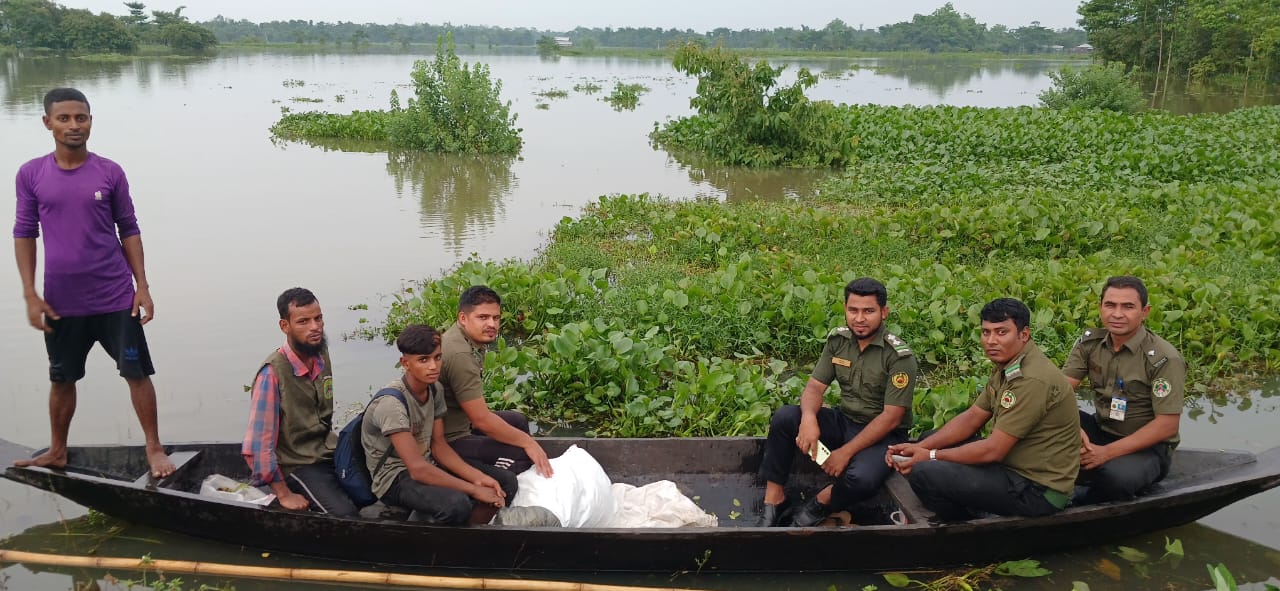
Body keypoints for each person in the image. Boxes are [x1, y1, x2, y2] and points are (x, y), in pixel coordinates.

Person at [13, 88, 175, 478]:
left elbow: (129, 229)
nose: (73, 125)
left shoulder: (110, 172)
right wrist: (31, 294)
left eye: (81, 117)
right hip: (61, 302)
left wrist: (143, 285)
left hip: (115, 295)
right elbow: (23, 232)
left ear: (90, 121)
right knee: (62, 378)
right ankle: (57, 450)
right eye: (64, 118)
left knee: (137, 373)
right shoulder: (32, 173)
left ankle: (154, 448)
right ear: (47, 122)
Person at [888, 298, 1080, 521]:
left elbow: (993, 450)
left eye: (1001, 332)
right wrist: (920, 447)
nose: (991, 341)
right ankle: (973, 505)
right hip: (1012, 466)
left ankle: (965, 522)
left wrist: (929, 456)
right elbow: (972, 417)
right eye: (986, 332)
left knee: (925, 473)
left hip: (1037, 489)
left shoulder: (1032, 380)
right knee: (931, 437)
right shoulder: (1008, 364)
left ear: (1023, 334)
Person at [754, 277, 918, 527]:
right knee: (786, 417)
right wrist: (809, 419)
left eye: (868, 311)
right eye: (853, 310)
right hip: (845, 421)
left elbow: (892, 417)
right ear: (845, 309)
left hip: (885, 435)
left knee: (862, 478)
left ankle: (820, 502)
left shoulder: (898, 356)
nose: (859, 318)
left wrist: (845, 453)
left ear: (884, 312)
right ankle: (774, 500)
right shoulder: (838, 341)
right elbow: (814, 387)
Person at [362, 324, 517, 524]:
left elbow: (439, 446)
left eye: (437, 357)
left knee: (505, 482)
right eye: (423, 360)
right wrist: (473, 488)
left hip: (428, 464)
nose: (433, 366)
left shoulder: (434, 390)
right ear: (405, 363)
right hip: (395, 478)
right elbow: (417, 469)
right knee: (456, 504)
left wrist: (478, 477)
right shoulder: (392, 404)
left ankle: (473, 531)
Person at [1063, 276, 1185, 504]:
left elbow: (1167, 425)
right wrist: (1071, 426)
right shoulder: (1089, 344)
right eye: (1110, 305)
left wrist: (1105, 453)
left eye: (1128, 306)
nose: (1117, 314)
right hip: (1101, 429)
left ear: (1145, 311)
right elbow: (1059, 392)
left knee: (1117, 479)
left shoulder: (1162, 358)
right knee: (1042, 421)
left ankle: (1083, 504)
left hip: (1147, 447)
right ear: (1101, 307)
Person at [242, 288, 358, 516]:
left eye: (318, 318)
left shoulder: (320, 353)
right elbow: (258, 444)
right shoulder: (272, 373)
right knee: (344, 515)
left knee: (369, 494)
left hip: (325, 449)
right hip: (295, 463)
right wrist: (284, 494)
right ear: (285, 326)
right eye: (303, 321)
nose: (315, 327)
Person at [439, 285, 552, 477]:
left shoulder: (466, 337)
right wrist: (528, 442)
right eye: (483, 317)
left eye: (496, 318)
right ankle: (496, 483)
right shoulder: (460, 354)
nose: (492, 324)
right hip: (450, 439)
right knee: (520, 451)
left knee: (517, 420)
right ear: (463, 318)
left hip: (464, 423)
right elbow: (481, 419)